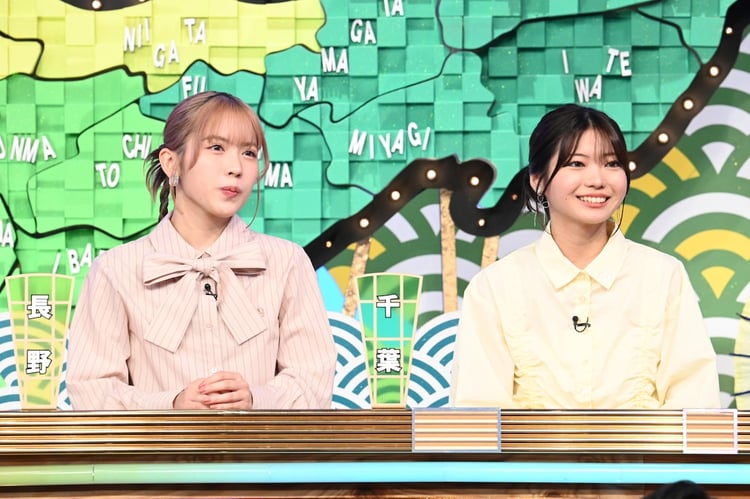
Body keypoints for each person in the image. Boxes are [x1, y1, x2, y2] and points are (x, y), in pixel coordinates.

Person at [67, 91, 336, 410]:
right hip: (157, 446)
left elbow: (313, 382)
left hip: (260, 445)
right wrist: (171, 405)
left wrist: (256, 399)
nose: (236, 167)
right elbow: (92, 392)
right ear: (171, 162)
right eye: (216, 147)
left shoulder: (287, 262)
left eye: (249, 153)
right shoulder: (115, 270)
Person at [450, 104, 720, 409]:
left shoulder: (664, 277)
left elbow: (696, 407)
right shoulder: (494, 288)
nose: (597, 180)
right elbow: (478, 417)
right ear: (537, 179)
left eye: (612, 163)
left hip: (645, 445)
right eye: (576, 164)